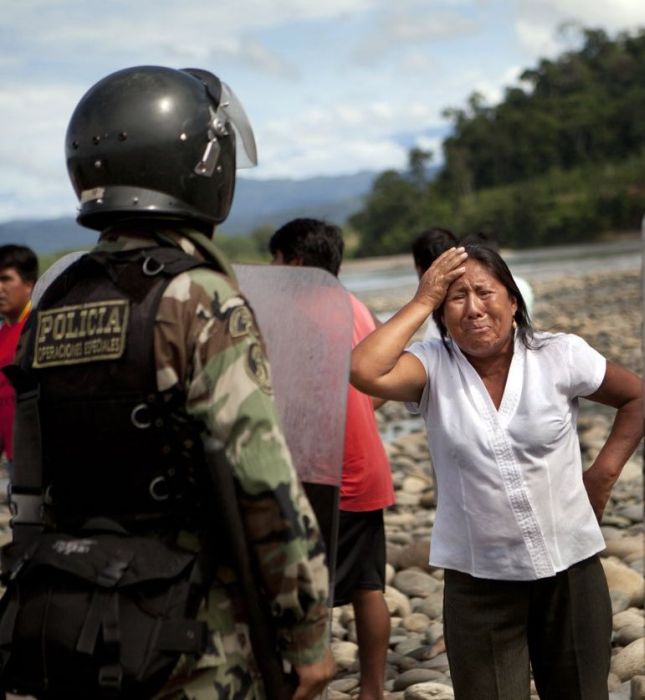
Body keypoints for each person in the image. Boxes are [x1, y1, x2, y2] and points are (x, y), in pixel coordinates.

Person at [5, 66, 333, 699]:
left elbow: (29, 477)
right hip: (191, 628)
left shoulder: (56, 299)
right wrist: (307, 630)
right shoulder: (197, 297)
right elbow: (262, 481)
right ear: (200, 166)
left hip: (75, 619)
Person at [351, 243, 642, 699]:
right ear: (442, 314)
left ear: (513, 300)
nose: (473, 309)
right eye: (456, 297)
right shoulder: (430, 366)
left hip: (570, 570)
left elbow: (636, 398)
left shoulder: (558, 354)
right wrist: (423, 298)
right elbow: (363, 368)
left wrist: (602, 474)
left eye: (485, 292)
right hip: (479, 582)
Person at [269, 218, 395, 700]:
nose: (273, 270)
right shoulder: (354, 306)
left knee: (305, 586)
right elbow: (379, 378)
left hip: (322, 472)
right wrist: (359, 413)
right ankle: (373, 690)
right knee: (368, 585)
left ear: (296, 262)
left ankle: (304, 681)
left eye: (276, 261)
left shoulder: (295, 314)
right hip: (364, 465)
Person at [0, 245, 37, 467]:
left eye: (6, 279)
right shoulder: (2, 335)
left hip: (38, 456)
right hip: (13, 459)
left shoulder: (39, 330)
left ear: (29, 285)